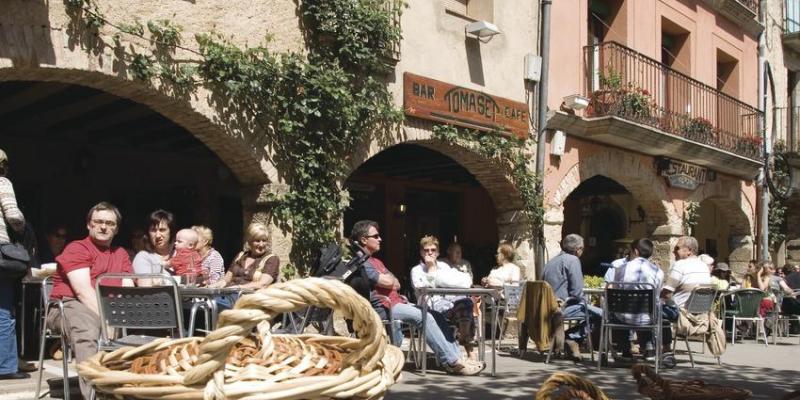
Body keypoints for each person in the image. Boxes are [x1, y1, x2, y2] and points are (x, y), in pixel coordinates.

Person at [355, 220, 483, 375]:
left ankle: (458, 358)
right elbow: (391, 281)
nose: (380, 239)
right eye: (376, 236)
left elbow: (396, 283)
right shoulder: (363, 261)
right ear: (364, 240)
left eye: (433, 250)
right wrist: (428, 271)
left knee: (437, 316)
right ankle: (451, 361)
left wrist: (391, 281)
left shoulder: (376, 260)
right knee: (424, 316)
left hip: (398, 302)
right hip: (384, 306)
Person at [47, 202, 134, 398]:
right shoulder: (77, 248)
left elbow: (128, 288)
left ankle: (122, 390)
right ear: (89, 225)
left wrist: (122, 316)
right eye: (99, 222)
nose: (104, 227)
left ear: (116, 228)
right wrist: (108, 321)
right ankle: (94, 395)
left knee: (137, 331)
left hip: (105, 308)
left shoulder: (121, 254)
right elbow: (83, 291)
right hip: (68, 305)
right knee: (88, 328)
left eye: (110, 223)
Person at [410, 236, 475, 356]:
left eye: (433, 250)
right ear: (421, 252)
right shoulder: (416, 270)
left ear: (438, 252)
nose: (430, 253)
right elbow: (427, 288)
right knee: (462, 313)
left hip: (451, 305)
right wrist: (431, 269)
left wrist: (440, 279)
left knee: (466, 302)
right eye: (426, 250)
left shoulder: (444, 266)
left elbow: (465, 282)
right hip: (430, 308)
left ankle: (464, 338)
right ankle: (468, 350)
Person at [542, 233, 602, 359]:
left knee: (590, 310)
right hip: (561, 307)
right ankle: (571, 337)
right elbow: (577, 292)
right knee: (603, 314)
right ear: (578, 249)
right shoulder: (573, 260)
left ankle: (571, 340)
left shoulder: (552, 261)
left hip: (545, 307)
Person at [603, 238, 665, 360]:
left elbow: (613, 289)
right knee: (646, 311)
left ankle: (625, 349)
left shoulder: (621, 268)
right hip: (648, 316)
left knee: (618, 310)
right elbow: (657, 293)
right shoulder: (658, 271)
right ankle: (649, 348)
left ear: (635, 252)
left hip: (622, 316)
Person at [0, 149, 28, 380]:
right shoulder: (2, 182)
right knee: (3, 311)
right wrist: (22, 229)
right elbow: (14, 216)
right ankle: (6, 367)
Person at [209, 223, 279, 309]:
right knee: (203, 302)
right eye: (257, 240)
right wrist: (210, 287)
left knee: (213, 305)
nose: (261, 245)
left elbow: (262, 284)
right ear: (249, 241)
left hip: (250, 298)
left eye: (264, 241)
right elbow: (225, 280)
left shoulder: (271, 259)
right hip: (229, 295)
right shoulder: (240, 256)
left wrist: (238, 288)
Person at [662, 236, 712, 308]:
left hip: (680, 312)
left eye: (677, 248)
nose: (673, 251)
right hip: (699, 311)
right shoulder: (704, 266)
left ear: (689, 250)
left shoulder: (680, 265)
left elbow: (666, 294)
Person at [132, 210, 176, 285]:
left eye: (162, 230)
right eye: (153, 230)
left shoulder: (182, 254)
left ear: (171, 232)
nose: (158, 235)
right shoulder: (144, 257)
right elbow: (145, 288)